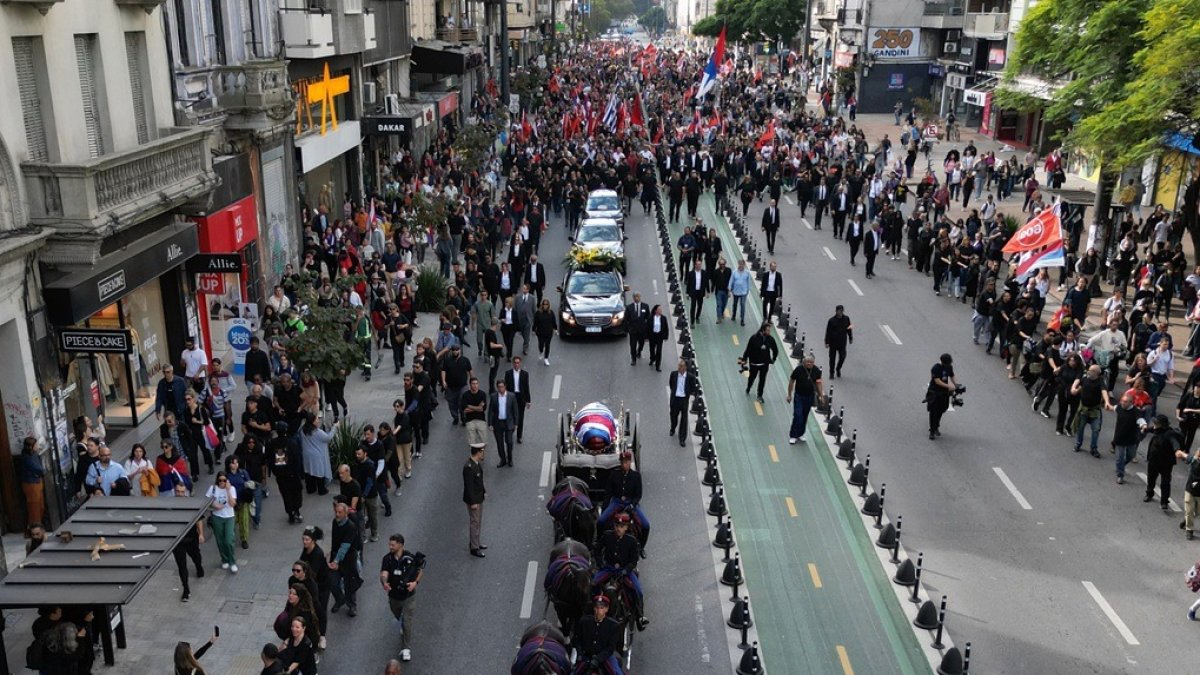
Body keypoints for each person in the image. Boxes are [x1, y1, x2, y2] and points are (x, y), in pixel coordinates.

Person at [593, 513, 649, 631]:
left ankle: (640, 617)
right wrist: (601, 564)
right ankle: (589, 610)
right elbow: (597, 550)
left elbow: (634, 561)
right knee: (592, 584)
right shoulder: (607, 536)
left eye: (622, 526)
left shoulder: (632, 541)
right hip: (608, 568)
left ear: (626, 527)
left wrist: (625, 571)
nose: (619, 528)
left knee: (638, 591)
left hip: (625, 571)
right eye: (617, 525)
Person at [379, 533, 426, 662]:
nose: (390, 547)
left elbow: (421, 569)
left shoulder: (410, 558)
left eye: (392, 545)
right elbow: (384, 573)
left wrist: (415, 583)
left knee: (407, 620)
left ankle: (406, 648)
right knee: (398, 615)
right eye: (389, 544)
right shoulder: (387, 559)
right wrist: (384, 583)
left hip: (408, 596)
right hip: (394, 596)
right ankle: (402, 624)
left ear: (400, 545)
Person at [600, 452, 649, 552]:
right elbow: (608, 493)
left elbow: (638, 495)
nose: (624, 465)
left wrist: (632, 505)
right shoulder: (614, 474)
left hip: (630, 503)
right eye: (622, 462)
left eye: (626, 462)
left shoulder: (636, 476)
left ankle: (641, 548)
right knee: (601, 521)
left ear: (630, 462)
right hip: (617, 502)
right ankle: (599, 543)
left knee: (646, 525)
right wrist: (605, 508)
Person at [329, 500, 363, 617]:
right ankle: (340, 599)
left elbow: (345, 546)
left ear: (345, 514)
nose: (337, 514)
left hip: (348, 559)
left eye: (339, 512)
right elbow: (335, 541)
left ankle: (352, 605)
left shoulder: (351, 527)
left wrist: (336, 560)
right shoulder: (335, 522)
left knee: (350, 584)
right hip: (336, 557)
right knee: (332, 582)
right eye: (336, 512)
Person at [572, 596, 623, 674]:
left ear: (607, 609)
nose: (598, 611)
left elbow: (611, 647)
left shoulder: (613, 626)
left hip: (605, 657)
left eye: (601, 608)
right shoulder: (584, 621)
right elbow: (577, 640)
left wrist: (598, 659)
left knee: (617, 673)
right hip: (586, 656)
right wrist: (579, 654)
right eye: (596, 607)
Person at [172, 482, 205, 601]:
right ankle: (186, 589)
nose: (180, 494)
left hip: (191, 539)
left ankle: (199, 567)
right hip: (177, 541)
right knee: (182, 566)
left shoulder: (192, 504)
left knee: (196, 557)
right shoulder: (171, 505)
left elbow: (199, 520)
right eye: (178, 491)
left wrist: (201, 534)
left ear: (186, 492)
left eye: (182, 492)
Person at [1072, 365, 1114, 457]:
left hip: (1095, 410)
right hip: (1083, 409)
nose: (1088, 372)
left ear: (1096, 373)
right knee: (1080, 428)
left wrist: (1107, 402)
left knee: (1095, 430)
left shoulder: (1101, 381)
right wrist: (1075, 389)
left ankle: (1093, 448)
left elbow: (1104, 392)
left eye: (1090, 370)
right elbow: (1080, 384)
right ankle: (1078, 444)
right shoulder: (1085, 379)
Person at [1144, 414, 1184, 510]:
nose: (1154, 424)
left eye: (1156, 423)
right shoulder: (1157, 429)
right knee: (1151, 478)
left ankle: (1164, 501)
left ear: (1161, 425)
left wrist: (1177, 450)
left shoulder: (1169, 434)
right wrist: (1144, 429)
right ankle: (1149, 493)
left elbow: (1175, 443)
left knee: (1165, 482)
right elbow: (1151, 429)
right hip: (1153, 460)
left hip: (1166, 463)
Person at [786, 354, 824, 444]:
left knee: (804, 416)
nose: (809, 363)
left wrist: (821, 395)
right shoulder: (799, 369)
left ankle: (801, 434)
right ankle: (793, 435)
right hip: (799, 396)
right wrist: (789, 394)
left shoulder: (817, 371)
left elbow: (818, 383)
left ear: (813, 363)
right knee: (797, 415)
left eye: (811, 362)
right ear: (804, 362)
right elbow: (791, 381)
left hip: (809, 397)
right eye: (807, 362)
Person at [206, 472, 238, 572]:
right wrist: (214, 505)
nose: (222, 482)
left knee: (229, 540)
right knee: (220, 541)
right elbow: (206, 502)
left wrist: (228, 491)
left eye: (224, 480)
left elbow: (233, 504)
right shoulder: (213, 488)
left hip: (229, 517)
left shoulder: (232, 489)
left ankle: (232, 561)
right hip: (217, 517)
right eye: (220, 480)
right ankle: (225, 559)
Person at [1112, 392, 1147, 485]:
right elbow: (1114, 408)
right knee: (1119, 457)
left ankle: (1121, 466)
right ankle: (1120, 475)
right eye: (1122, 401)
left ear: (1131, 403)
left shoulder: (1135, 411)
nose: (1123, 403)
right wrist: (1108, 405)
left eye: (1125, 402)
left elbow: (1140, 419)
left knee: (1131, 455)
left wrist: (1143, 425)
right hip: (1119, 437)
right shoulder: (1119, 407)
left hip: (1131, 439)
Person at [741, 322, 779, 402]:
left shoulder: (770, 339)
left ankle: (760, 395)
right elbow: (748, 350)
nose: (769, 332)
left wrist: (773, 358)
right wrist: (745, 359)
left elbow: (775, 349)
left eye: (769, 331)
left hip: (764, 363)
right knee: (752, 377)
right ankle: (749, 387)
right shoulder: (754, 338)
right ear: (763, 330)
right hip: (754, 363)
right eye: (767, 330)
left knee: (762, 379)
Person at [462, 443, 487, 557]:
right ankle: (474, 548)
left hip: (479, 497)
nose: (484, 454)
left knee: (478, 522)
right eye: (482, 452)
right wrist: (473, 502)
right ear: (478, 453)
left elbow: (479, 481)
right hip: (474, 500)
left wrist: (484, 491)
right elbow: (469, 486)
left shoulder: (476, 464)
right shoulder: (469, 467)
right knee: (474, 522)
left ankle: (475, 542)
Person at [927, 354, 958, 440]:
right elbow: (937, 381)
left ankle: (936, 425)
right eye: (947, 364)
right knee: (934, 411)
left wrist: (956, 385)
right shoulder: (936, 368)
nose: (948, 365)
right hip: (935, 392)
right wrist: (949, 386)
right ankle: (932, 431)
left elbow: (952, 375)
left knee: (943, 408)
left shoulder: (949, 367)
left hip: (944, 393)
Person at [668, 360, 698, 447]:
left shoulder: (690, 377)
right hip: (675, 399)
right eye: (679, 366)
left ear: (685, 368)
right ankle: (673, 428)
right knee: (673, 415)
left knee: (684, 420)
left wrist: (687, 394)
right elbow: (671, 384)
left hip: (684, 400)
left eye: (681, 366)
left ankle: (682, 439)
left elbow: (693, 388)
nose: (679, 368)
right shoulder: (673, 374)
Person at [488, 380, 518, 467]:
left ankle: (510, 459)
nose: (500, 389)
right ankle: (503, 459)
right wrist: (490, 423)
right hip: (498, 423)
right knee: (499, 443)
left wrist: (516, 423)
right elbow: (491, 411)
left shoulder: (511, 396)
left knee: (509, 442)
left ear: (505, 387)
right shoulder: (493, 397)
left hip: (508, 423)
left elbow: (515, 411)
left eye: (502, 387)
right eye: (499, 387)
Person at [503, 357, 532, 444]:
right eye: (515, 363)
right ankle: (510, 433)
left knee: (520, 417)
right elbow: (505, 387)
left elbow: (526, 387)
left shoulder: (525, 374)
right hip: (511, 396)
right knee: (511, 416)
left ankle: (519, 436)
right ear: (513, 363)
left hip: (521, 397)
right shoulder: (508, 373)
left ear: (520, 363)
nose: (516, 364)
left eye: (518, 363)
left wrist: (528, 400)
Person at [18, 437, 45, 526]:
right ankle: (33, 527)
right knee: (34, 507)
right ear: (31, 446)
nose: (37, 446)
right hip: (31, 483)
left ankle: (37, 524)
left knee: (40, 506)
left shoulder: (33, 454)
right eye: (36, 445)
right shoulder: (27, 458)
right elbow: (37, 468)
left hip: (36, 481)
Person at [824, 305, 853, 378]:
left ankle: (838, 368)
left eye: (841, 311)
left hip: (842, 343)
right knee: (832, 359)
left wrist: (850, 337)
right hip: (833, 343)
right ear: (836, 311)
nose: (840, 312)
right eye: (838, 311)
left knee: (842, 357)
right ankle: (831, 373)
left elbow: (849, 328)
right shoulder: (831, 320)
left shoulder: (846, 319)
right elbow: (828, 331)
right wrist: (827, 342)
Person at [626, 292, 650, 365]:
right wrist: (628, 329)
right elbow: (626, 319)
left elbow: (648, 317)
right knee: (633, 345)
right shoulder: (629, 307)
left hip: (642, 330)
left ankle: (639, 351)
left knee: (641, 343)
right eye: (635, 297)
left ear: (640, 297)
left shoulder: (645, 306)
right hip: (633, 331)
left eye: (638, 296)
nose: (637, 298)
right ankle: (633, 359)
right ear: (633, 298)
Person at [533, 298, 557, 366]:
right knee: (541, 344)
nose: (545, 306)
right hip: (540, 332)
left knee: (547, 345)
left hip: (549, 332)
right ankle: (541, 351)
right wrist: (533, 330)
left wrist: (555, 329)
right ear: (542, 305)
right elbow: (535, 322)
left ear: (548, 305)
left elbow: (553, 321)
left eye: (546, 304)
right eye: (544, 304)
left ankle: (546, 358)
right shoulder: (538, 313)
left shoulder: (551, 312)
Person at [685, 259, 709, 326]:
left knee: (700, 306)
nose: (699, 266)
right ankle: (692, 322)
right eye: (697, 265)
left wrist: (708, 291)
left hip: (700, 292)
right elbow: (688, 284)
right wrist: (687, 293)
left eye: (700, 265)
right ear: (695, 265)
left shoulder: (704, 273)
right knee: (693, 306)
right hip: (693, 292)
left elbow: (706, 282)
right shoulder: (691, 273)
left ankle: (697, 316)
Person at [729, 259, 752, 327]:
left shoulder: (747, 273)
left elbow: (748, 282)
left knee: (742, 305)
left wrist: (748, 290)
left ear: (744, 265)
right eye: (739, 264)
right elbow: (731, 281)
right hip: (736, 291)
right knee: (735, 304)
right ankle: (734, 314)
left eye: (742, 264)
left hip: (743, 292)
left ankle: (742, 319)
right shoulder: (734, 272)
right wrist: (729, 288)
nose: (740, 265)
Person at [647, 305, 670, 371]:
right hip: (652, 336)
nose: (660, 310)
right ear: (655, 310)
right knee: (652, 349)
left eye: (661, 309)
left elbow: (666, 328)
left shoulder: (663, 318)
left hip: (660, 336)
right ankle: (652, 358)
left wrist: (666, 336)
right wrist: (647, 336)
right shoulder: (651, 318)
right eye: (659, 309)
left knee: (659, 351)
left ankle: (658, 365)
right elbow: (647, 327)